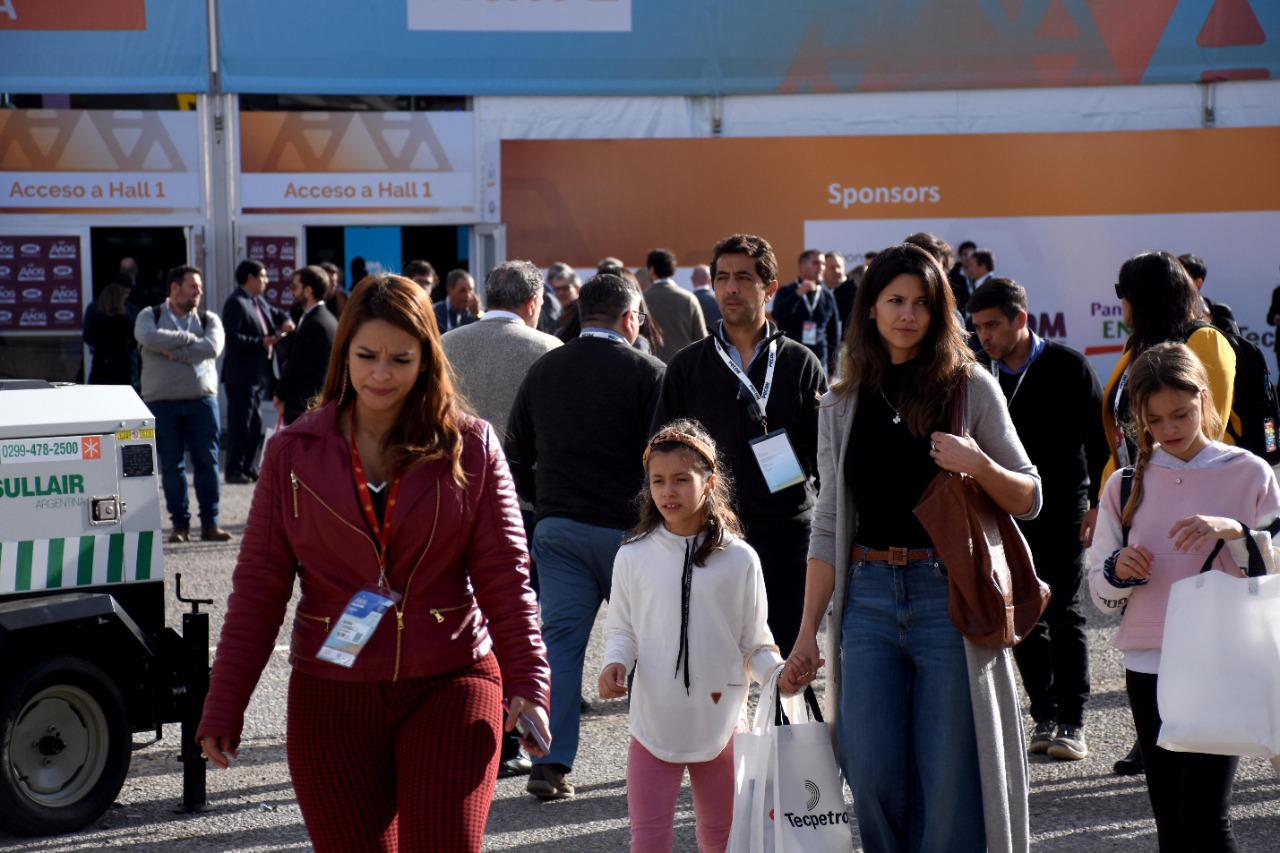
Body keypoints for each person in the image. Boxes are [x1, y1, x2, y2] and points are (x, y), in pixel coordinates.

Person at [196, 274, 550, 853]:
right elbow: (259, 588)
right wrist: (224, 702)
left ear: (428, 358)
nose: (381, 374)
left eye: (400, 358)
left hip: (453, 678)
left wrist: (530, 684)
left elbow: (508, 578)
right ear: (345, 354)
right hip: (330, 692)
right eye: (366, 356)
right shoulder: (292, 451)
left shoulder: (472, 445)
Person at [785, 243, 1041, 853]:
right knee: (867, 769)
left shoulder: (969, 386)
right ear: (870, 308)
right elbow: (827, 523)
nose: (908, 314)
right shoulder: (841, 402)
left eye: (922, 303)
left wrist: (978, 464)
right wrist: (805, 635)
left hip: (944, 593)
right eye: (895, 300)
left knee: (949, 776)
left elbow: (1029, 494)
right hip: (867, 597)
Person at [1087, 341, 1279, 853]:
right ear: (1139, 418)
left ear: (1204, 399)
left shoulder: (1249, 472)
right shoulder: (1125, 484)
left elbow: (1274, 568)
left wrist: (1234, 531)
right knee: (1172, 825)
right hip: (1148, 661)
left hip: (1224, 657)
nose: (1169, 428)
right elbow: (1100, 592)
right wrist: (1117, 570)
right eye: (1154, 419)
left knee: (1206, 823)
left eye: (1182, 413)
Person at [506, 272, 665, 801]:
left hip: (560, 530)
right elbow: (666, 461)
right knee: (652, 650)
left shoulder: (544, 369)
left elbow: (515, 451)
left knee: (559, 649)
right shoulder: (649, 373)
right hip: (632, 534)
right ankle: (662, 760)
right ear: (629, 318)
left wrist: (544, 501)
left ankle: (548, 764)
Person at [599, 420, 783, 853]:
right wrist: (615, 663)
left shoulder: (740, 559)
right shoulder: (632, 555)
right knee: (647, 841)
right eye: (658, 481)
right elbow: (622, 628)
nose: (669, 491)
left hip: (722, 724)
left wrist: (779, 675)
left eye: (682, 479)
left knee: (720, 840)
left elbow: (755, 642)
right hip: (651, 726)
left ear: (710, 482)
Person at [653, 233, 826, 657]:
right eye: (723, 278)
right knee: (711, 667)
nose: (731, 288)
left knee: (786, 664)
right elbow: (660, 449)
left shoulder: (800, 363)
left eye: (744, 278)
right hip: (711, 534)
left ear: (769, 288)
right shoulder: (687, 366)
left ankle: (786, 726)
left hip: (787, 533)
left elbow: (826, 454)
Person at [1101, 250, 1237, 776]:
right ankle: (1154, 733)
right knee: (1145, 614)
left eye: (1123, 292)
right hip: (1137, 499)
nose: (1121, 304)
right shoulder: (1136, 347)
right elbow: (1120, 429)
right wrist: (1108, 501)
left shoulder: (1204, 341)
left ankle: (1197, 732)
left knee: (1196, 622)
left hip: (1196, 508)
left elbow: (1211, 427)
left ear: (1141, 296)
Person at [969, 277, 1110, 761]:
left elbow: (1101, 439)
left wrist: (1097, 504)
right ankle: (1043, 713)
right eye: (978, 327)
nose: (983, 336)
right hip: (1000, 506)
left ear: (1020, 320)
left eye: (992, 326)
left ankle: (1073, 718)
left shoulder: (1067, 366)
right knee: (1021, 608)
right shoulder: (975, 370)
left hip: (1063, 504)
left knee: (1063, 607)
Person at [135, 265, 232, 543]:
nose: (198, 292)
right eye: (193, 286)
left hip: (202, 402)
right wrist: (190, 340)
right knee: (173, 466)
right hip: (161, 403)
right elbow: (148, 338)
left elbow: (212, 347)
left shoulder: (208, 318)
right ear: (175, 288)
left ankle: (210, 524)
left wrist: (175, 353)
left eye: (199, 287)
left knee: (207, 463)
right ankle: (179, 525)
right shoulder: (149, 315)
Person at [221, 259, 292, 483]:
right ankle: (234, 469)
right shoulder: (236, 302)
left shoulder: (257, 300)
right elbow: (233, 339)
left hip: (258, 374)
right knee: (241, 422)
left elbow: (278, 314)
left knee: (254, 423)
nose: (266, 281)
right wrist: (263, 341)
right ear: (250, 278)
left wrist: (288, 321)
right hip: (241, 375)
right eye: (262, 276)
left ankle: (250, 467)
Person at [276, 265, 338, 425]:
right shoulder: (324, 318)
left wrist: (279, 394)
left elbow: (298, 367)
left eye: (294, 287)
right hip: (315, 406)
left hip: (306, 408)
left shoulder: (316, 323)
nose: (292, 292)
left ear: (308, 291)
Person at [772, 248, 841, 374]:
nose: (821, 267)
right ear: (802, 266)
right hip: (789, 359)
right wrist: (798, 294)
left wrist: (832, 370)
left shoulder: (827, 295)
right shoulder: (786, 291)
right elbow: (777, 315)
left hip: (819, 362)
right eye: (816, 263)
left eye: (823, 264)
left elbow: (833, 334)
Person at [642, 248, 708, 363]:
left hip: (653, 365)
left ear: (651, 270)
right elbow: (702, 338)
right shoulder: (689, 298)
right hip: (685, 366)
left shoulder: (643, 298)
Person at [84, 275, 139, 386]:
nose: (125, 297)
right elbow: (135, 340)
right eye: (122, 293)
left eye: (127, 293)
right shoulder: (125, 320)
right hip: (120, 363)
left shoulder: (97, 317)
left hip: (102, 362)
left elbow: (88, 336)